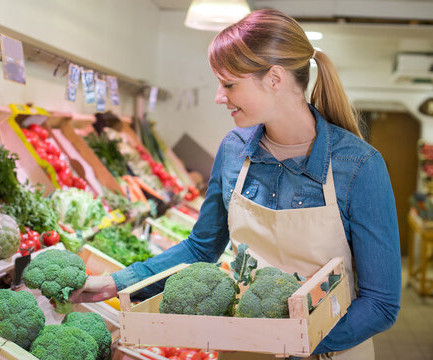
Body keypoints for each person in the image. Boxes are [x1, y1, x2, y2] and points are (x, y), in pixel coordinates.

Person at [69, 9, 401, 359]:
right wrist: (115, 282)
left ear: (275, 78)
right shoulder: (233, 149)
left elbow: (380, 304)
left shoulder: (359, 166)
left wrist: (298, 343)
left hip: (331, 349)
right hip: (246, 348)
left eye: (228, 84)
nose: (218, 96)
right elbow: (201, 249)